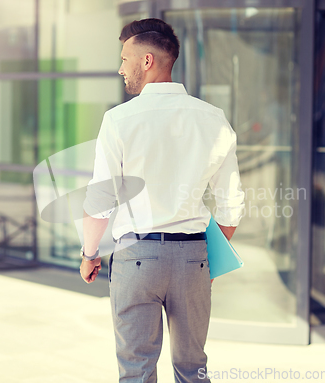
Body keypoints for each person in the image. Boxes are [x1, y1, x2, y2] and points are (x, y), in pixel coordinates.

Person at [79, 18, 245, 383]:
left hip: (135, 257)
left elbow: (100, 199)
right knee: (193, 370)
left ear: (147, 61)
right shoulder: (213, 118)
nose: (120, 68)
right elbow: (232, 203)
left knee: (136, 372)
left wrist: (90, 253)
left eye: (125, 59)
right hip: (193, 259)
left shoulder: (119, 120)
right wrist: (206, 258)